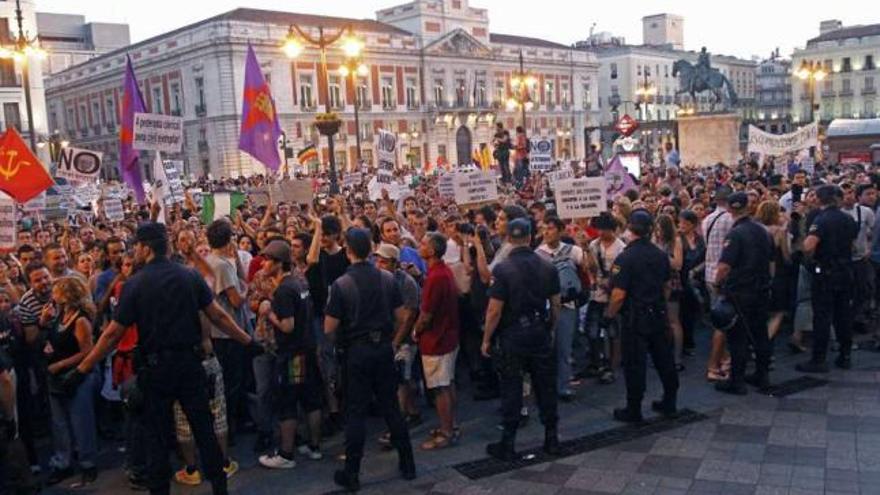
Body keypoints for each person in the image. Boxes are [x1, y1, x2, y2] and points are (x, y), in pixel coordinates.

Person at [65, 222, 258, 495]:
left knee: (156, 439)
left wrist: (82, 370)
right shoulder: (189, 277)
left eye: (136, 247)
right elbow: (219, 316)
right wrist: (248, 342)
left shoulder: (134, 284)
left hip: (156, 372)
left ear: (145, 247)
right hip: (190, 367)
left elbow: (111, 335)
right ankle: (219, 487)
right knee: (205, 432)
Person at [324, 228, 415, 491]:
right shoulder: (387, 279)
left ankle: (352, 473)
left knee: (356, 413)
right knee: (391, 408)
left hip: (357, 352)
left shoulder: (342, 284)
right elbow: (401, 316)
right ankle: (408, 464)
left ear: (348, 250)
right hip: (383, 349)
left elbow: (329, 327)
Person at [480, 218, 561, 461]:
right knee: (545, 387)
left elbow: (494, 310)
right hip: (538, 331)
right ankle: (551, 438)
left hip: (513, 335)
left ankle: (508, 443)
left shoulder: (502, 269)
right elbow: (556, 304)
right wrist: (550, 329)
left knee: (511, 388)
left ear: (509, 239)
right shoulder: (548, 266)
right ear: (530, 237)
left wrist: (486, 338)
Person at [604, 209, 679, 423]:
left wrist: (609, 316)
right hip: (658, 313)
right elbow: (667, 286)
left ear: (630, 229)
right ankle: (670, 402)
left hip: (635, 318)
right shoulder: (660, 255)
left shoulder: (625, 258)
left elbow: (618, 295)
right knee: (665, 360)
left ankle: (634, 409)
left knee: (635, 364)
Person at [258, 240, 323, 469]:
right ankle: (314, 447)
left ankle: (286, 454)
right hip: (307, 348)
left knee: (288, 401)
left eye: (267, 260)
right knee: (311, 399)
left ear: (278, 263)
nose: (263, 264)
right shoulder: (298, 282)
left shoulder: (284, 290)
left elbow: (287, 326)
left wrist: (268, 313)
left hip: (293, 354)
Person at [713, 192, 774, 394]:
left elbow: (724, 267)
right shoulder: (763, 231)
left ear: (730, 210)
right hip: (761, 289)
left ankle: (737, 381)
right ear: (749, 207)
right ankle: (762, 375)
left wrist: (716, 283)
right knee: (760, 333)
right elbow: (772, 263)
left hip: (741, 292)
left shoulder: (736, 234)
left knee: (737, 337)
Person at [797, 185, 859, 372]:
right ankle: (845, 355)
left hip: (825, 272)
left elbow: (809, 246)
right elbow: (854, 244)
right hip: (846, 270)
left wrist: (806, 255)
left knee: (822, 317)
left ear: (820, 199)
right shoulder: (848, 219)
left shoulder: (821, 220)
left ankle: (818, 359)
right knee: (843, 315)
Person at [45, 277, 100, 487]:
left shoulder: (80, 320)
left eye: (57, 291)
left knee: (81, 421)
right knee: (59, 423)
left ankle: (88, 463)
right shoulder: (60, 315)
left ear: (67, 295)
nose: (53, 293)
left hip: (76, 375)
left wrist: (60, 364)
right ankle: (63, 462)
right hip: (56, 376)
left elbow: (87, 352)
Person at [413, 232, 460, 450]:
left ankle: (447, 431)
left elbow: (426, 314)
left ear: (431, 250)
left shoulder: (436, 277)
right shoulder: (441, 272)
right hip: (448, 336)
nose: (418, 246)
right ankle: (450, 424)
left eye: (422, 243)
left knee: (440, 388)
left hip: (437, 340)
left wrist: (415, 330)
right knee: (447, 383)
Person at [536, 216, 588, 400]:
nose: (546, 232)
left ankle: (563, 386)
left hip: (566, 306)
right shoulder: (537, 254)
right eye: (544, 228)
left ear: (560, 231)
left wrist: (585, 247)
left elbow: (590, 269)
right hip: (546, 307)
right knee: (547, 349)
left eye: (550, 228)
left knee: (564, 348)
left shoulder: (573, 250)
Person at [586, 213, 626, 384]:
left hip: (613, 294)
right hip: (597, 295)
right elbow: (590, 268)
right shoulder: (594, 245)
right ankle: (597, 362)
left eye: (605, 229)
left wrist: (609, 283)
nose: (601, 233)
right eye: (599, 229)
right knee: (592, 330)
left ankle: (612, 366)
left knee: (613, 332)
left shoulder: (621, 248)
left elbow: (620, 272)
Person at [702, 186, 734, 382]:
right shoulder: (730, 219)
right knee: (724, 323)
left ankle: (724, 358)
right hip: (723, 275)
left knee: (718, 318)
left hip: (709, 273)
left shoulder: (707, 220)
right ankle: (716, 364)